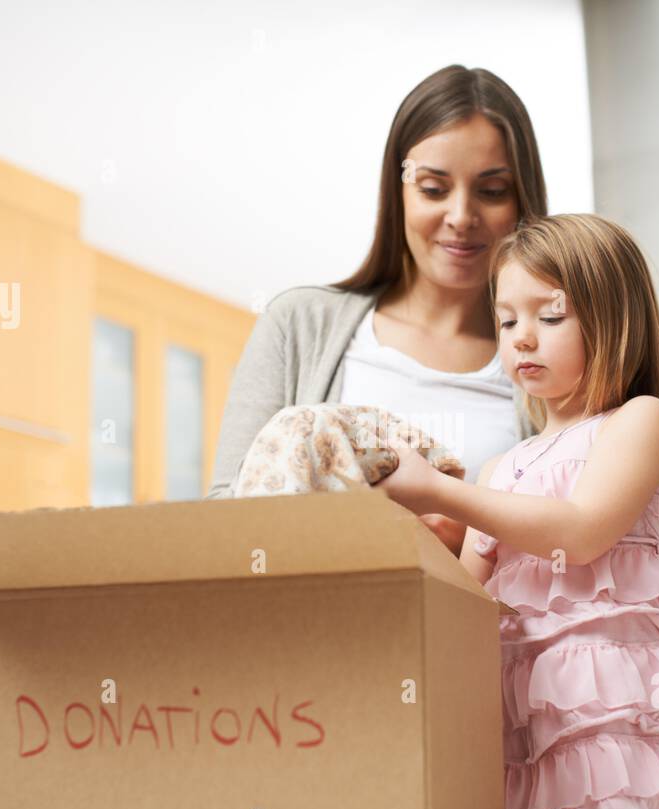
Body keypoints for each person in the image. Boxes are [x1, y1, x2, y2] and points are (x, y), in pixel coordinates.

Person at [374, 213, 659, 809]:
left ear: (613, 318)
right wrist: (409, 532)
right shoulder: (503, 471)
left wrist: (447, 496)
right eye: (507, 319)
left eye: (549, 315)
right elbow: (465, 611)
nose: (522, 337)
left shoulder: (640, 423)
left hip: (641, 788)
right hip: (528, 791)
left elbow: (580, 533)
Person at [206, 64, 549, 557]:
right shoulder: (298, 325)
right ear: (398, 191)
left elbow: (578, 547)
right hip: (322, 628)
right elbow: (226, 513)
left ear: (523, 200)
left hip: (481, 634)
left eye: (492, 191)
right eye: (433, 188)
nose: (461, 217)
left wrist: (470, 548)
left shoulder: (552, 354)